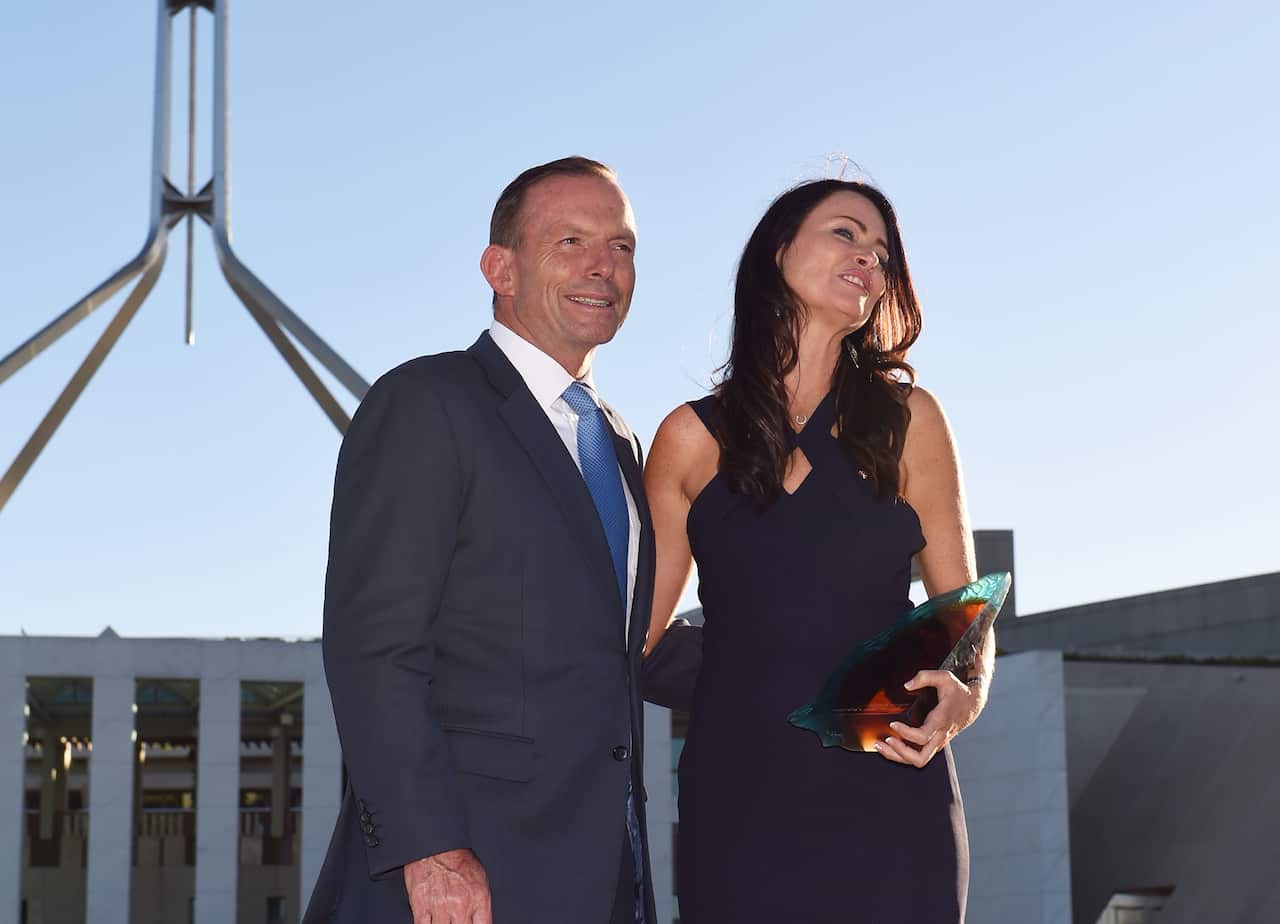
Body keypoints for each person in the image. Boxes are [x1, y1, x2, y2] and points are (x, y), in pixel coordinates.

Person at [305, 156, 669, 924]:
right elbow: (375, 647)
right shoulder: (427, 403)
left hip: (606, 875)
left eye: (622, 246)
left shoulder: (619, 442)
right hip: (463, 875)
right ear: (500, 269)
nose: (603, 265)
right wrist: (429, 849)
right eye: (570, 241)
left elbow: (613, 656)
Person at [642, 178, 994, 922]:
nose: (869, 258)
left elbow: (962, 613)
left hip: (891, 789)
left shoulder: (911, 419)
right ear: (778, 252)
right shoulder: (688, 439)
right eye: (846, 234)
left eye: (882, 253)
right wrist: (747, 672)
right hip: (738, 798)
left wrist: (966, 695)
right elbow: (637, 639)